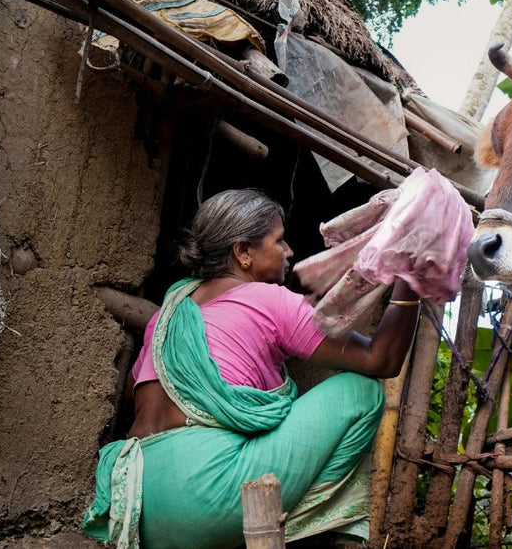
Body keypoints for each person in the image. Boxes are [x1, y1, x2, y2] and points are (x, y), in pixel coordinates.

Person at [83, 189, 423, 548]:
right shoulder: (270, 300)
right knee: (361, 391)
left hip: (134, 501)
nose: (289, 251)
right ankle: (301, 524)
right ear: (243, 252)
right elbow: (382, 359)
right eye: (278, 240)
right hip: (205, 497)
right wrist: (413, 275)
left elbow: (133, 390)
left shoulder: (169, 311)